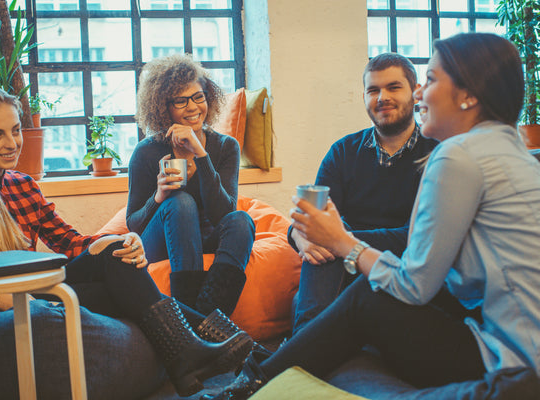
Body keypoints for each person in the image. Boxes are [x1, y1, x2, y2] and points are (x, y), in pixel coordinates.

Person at [205, 32, 540, 399]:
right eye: (373, 90)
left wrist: (344, 242)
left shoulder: (455, 156)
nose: (419, 94)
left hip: (511, 365)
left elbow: (414, 283)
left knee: (365, 293)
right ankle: (272, 369)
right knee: (333, 263)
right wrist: (312, 235)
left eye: (429, 80)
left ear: (469, 95)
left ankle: (255, 380)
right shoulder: (513, 152)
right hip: (500, 339)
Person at [0, 84, 253, 398]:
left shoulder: (24, 185)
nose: (12, 144)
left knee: (116, 256)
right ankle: (223, 349)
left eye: (16, 131)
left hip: (32, 290)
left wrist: (124, 240)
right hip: (3, 300)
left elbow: (69, 241)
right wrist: (1, 299)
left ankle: (191, 355)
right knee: (119, 274)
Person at [291, 53, 438, 334]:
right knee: (323, 239)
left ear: (415, 92)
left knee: (330, 241)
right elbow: (315, 218)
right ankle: (301, 351)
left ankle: (295, 355)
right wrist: (299, 234)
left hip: (404, 268)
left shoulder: (437, 153)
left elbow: (417, 236)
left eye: (393, 87)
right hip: (343, 268)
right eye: (373, 90)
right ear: (364, 97)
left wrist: (338, 239)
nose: (382, 97)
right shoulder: (343, 152)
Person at [128, 54, 256, 317]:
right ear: (163, 107)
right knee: (180, 202)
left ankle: (208, 319)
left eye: (198, 97)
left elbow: (224, 213)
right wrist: (159, 195)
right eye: (180, 101)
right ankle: (190, 316)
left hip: (207, 236)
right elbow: (134, 224)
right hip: (162, 240)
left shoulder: (225, 147)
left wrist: (201, 153)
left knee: (242, 220)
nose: (192, 107)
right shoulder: (147, 152)